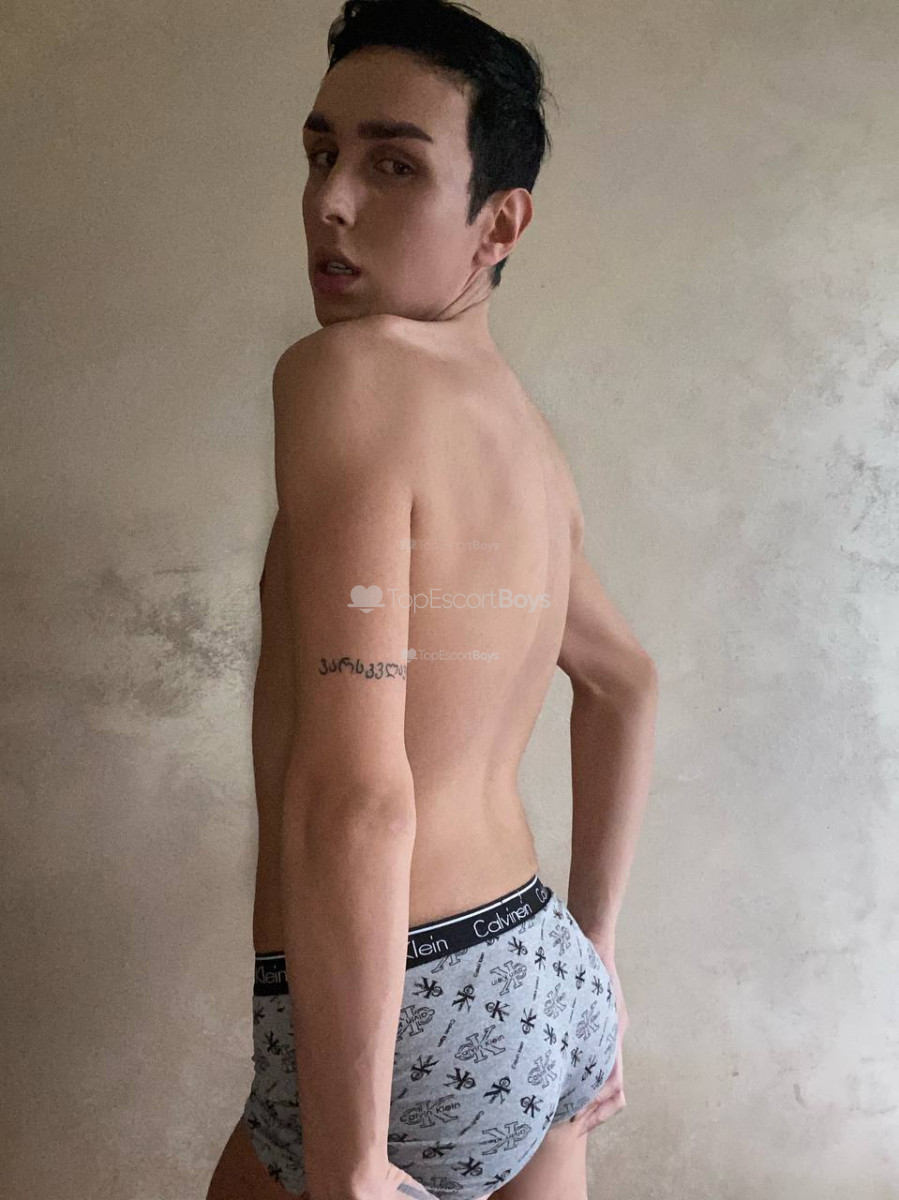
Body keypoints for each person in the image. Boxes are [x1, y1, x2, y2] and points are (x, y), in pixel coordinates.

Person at [206, 2, 658, 1198]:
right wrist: (596, 955)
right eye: (320, 153)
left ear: (498, 222)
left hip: (407, 1004)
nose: (330, 201)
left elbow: (355, 792)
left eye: (392, 165)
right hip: (536, 969)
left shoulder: (346, 375)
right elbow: (623, 682)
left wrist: (351, 1161)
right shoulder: (525, 438)